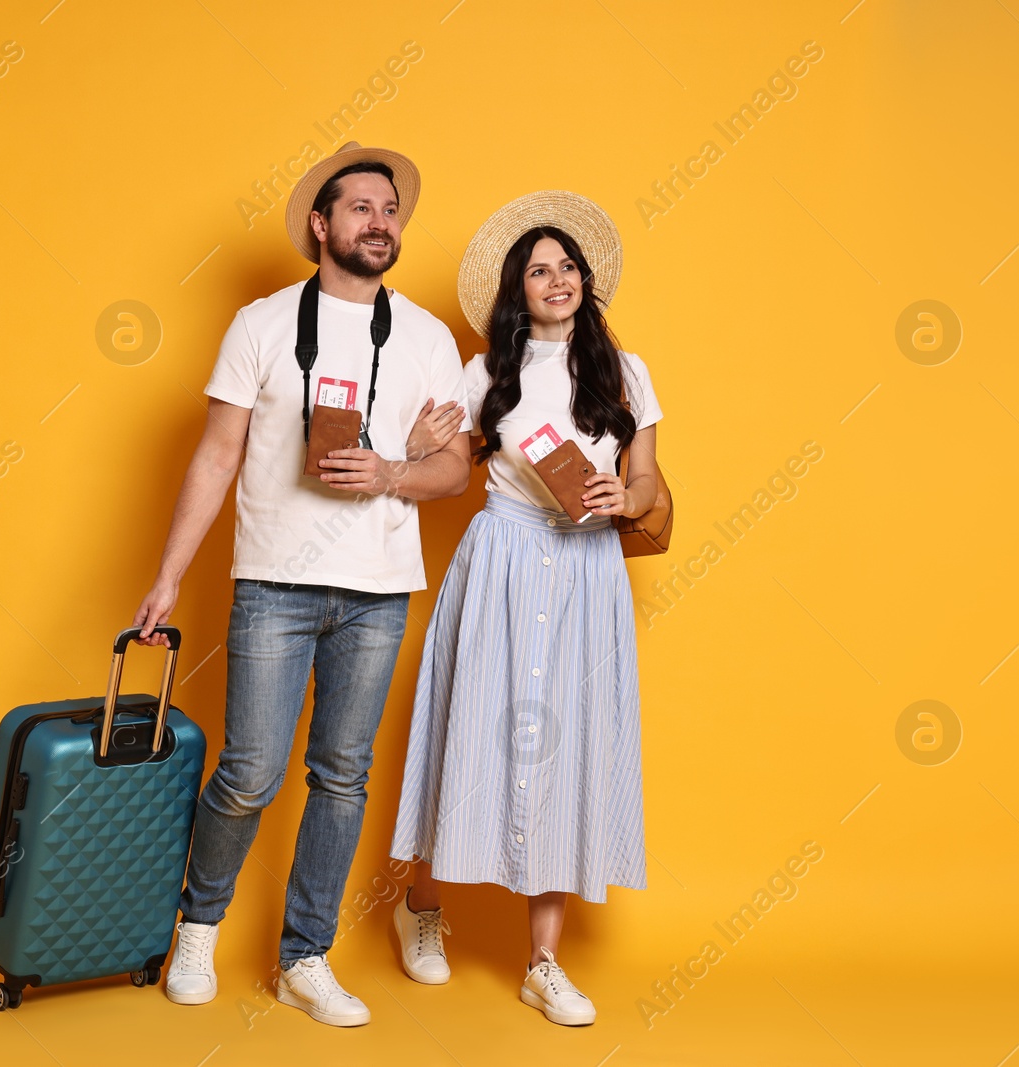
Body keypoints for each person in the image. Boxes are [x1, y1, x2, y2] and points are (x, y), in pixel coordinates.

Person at [131, 143, 474, 1027]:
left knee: (343, 776)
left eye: (390, 210)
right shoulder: (261, 323)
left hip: (379, 588)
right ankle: (197, 927)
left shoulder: (430, 337)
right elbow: (216, 454)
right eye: (360, 208)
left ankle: (304, 957)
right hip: (274, 585)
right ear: (321, 227)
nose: (380, 222)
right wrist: (168, 576)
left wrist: (395, 472)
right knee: (249, 773)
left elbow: (456, 470)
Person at [386, 191, 664, 1026]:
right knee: (468, 726)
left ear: (587, 281)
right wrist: (418, 441)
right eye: (538, 269)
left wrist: (625, 495)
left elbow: (652, 483)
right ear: (518, 288)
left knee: (570, 744)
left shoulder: (626, 370)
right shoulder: (484, 374)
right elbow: (442, 468)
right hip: (502, 561)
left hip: (587, 570)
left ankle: (544, 960)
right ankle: (420, 904)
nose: (556, 279)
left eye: (567, 266)